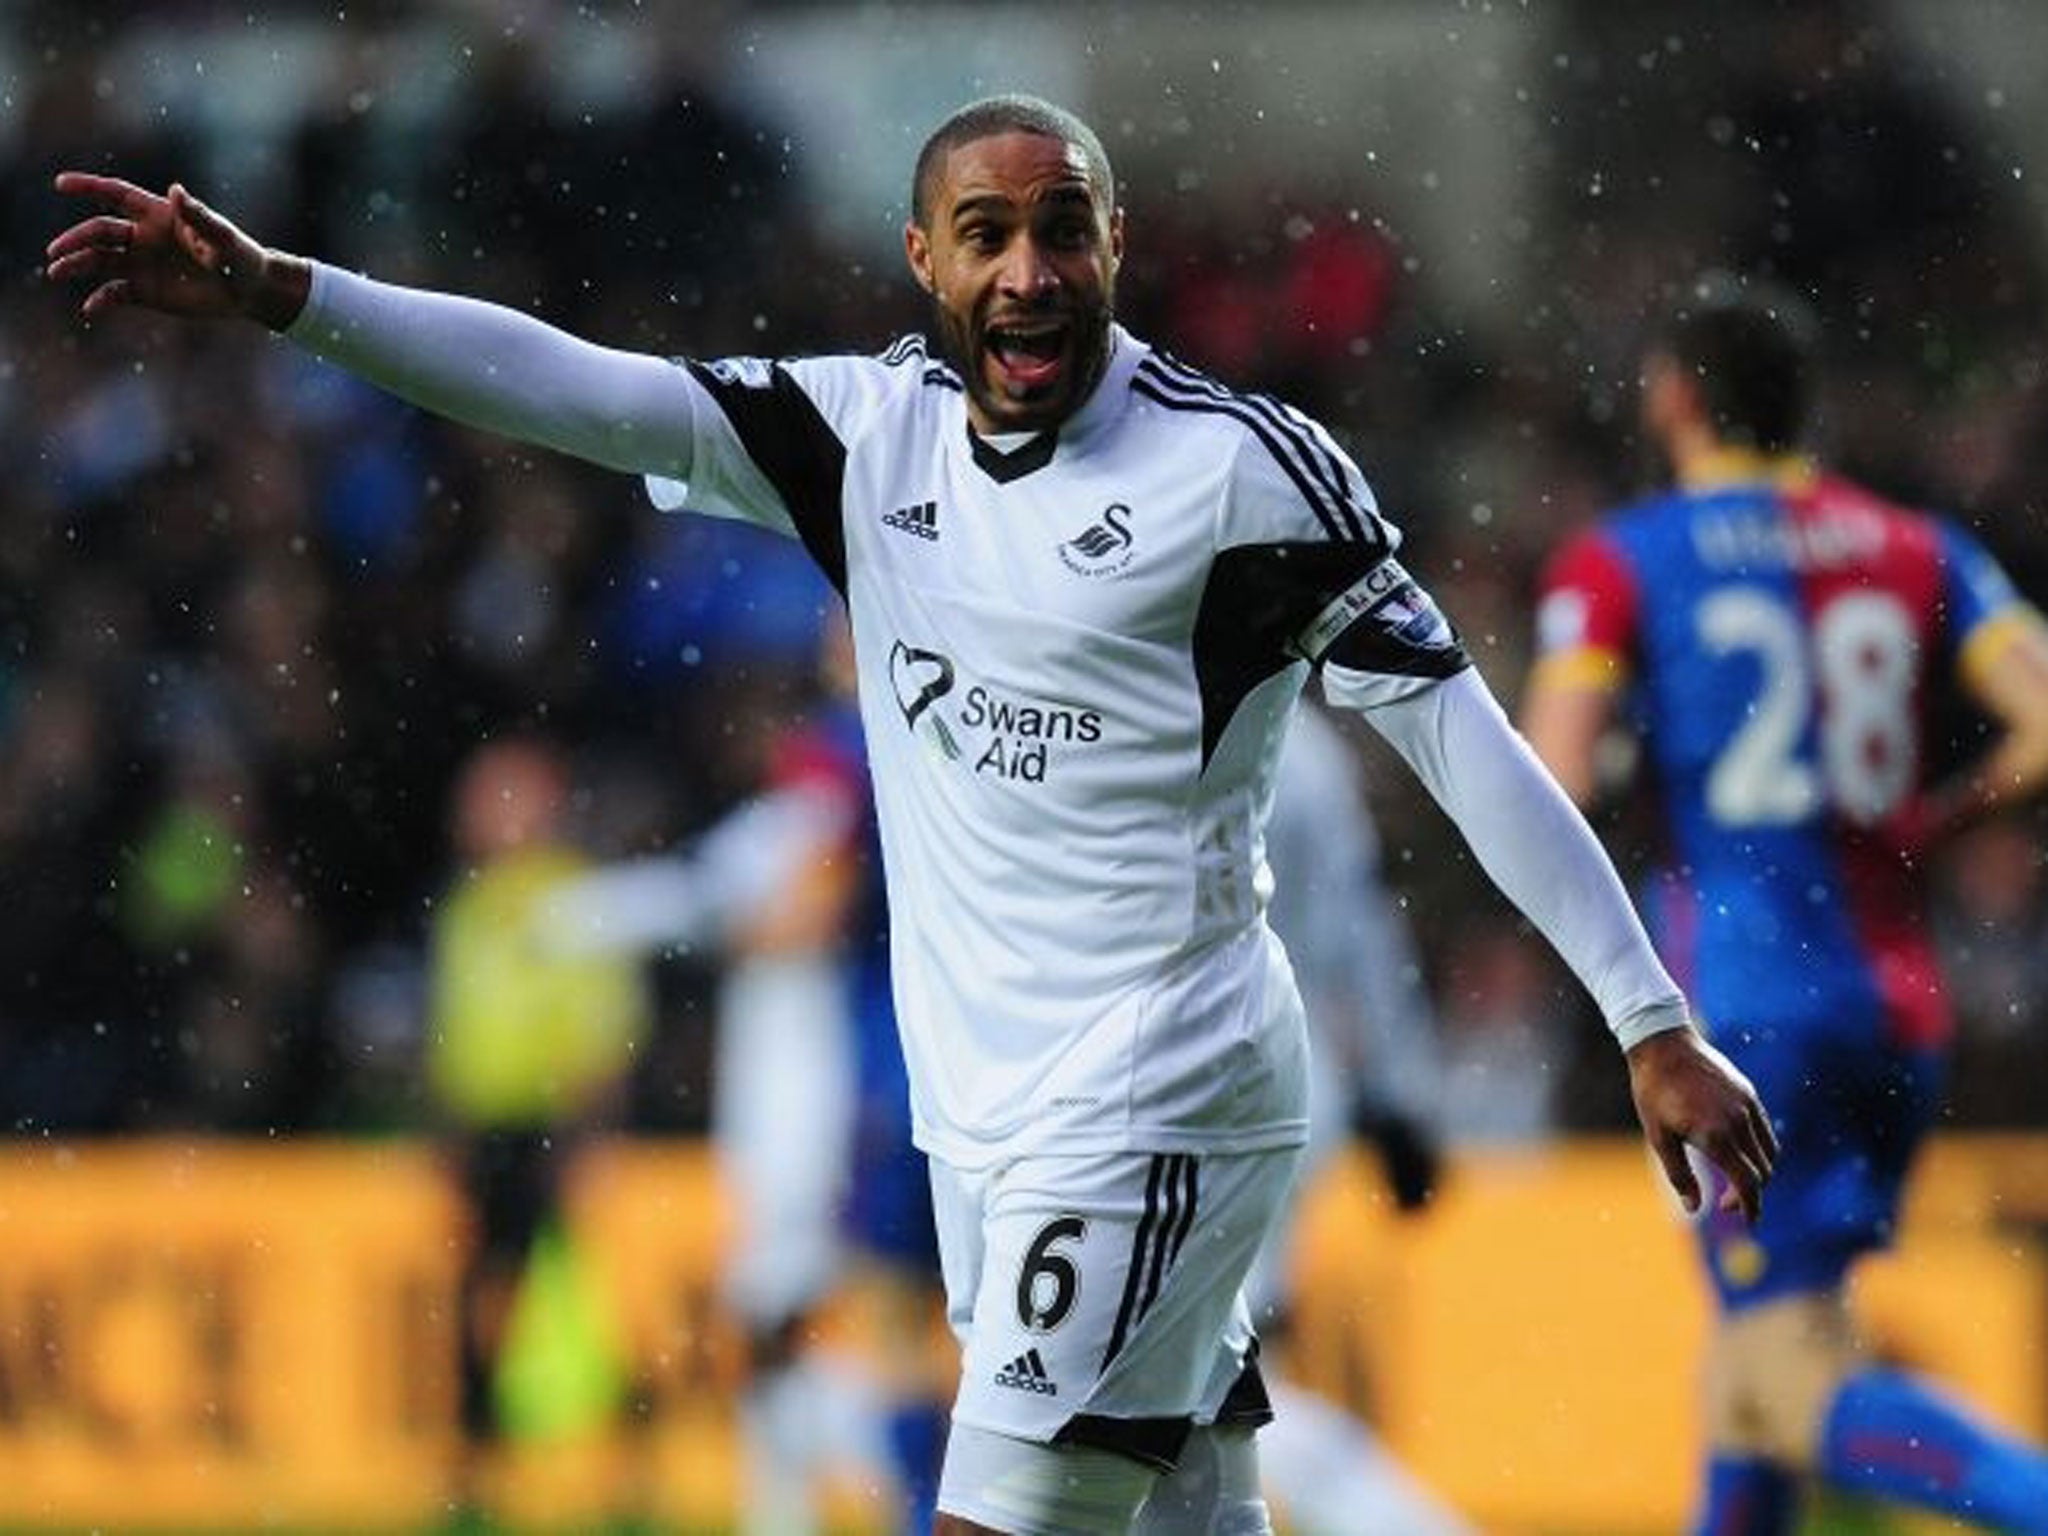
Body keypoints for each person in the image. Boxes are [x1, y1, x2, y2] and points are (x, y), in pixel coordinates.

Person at [47, 95, 1775, 1534]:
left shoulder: (1238, 471)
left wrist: (1644, 1018)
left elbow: (1461, 743)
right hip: (987, 1124)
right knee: (1187, 1510)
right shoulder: (860, 440)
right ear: (921, 258)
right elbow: (575, 385)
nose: (1029, 273)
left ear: (1110, 245)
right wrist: (292, 297)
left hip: (1157, 1085)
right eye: (988, 235)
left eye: (1063, 231)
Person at [1520, 275, 2048, 1536]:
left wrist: (1613, 779)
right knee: (1743, 1372)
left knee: (1777, 1377)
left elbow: (1540, 784)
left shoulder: (1620, 562)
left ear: (1674, 397)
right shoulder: (1919, 547)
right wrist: (1938, 818)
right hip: (1893, 1005)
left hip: (1737, 1018)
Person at [550, 616, 948, 1534]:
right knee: (875, 1320)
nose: (830, 638)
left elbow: (802, 907)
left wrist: (685, 925)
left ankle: (906, 1505)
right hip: (926, 1064)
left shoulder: (843, 755)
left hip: (848, 1081)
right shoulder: (947, 742)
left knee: (823, 1317)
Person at [1249, 699, 1472, 1536]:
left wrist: (1398, 1089)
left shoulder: (1148, 708)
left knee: (1214, 1394)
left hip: (1204, 1108)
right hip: (1288, 1094)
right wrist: (1398, 1096)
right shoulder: (1305, 750)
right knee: (1219, 1389)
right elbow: (1364, 937)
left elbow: (1359, 938)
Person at [426, 736, 647, 1500]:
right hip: (489, 1127)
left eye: (507, 797)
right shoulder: (469, 904)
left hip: (551, 1125)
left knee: (574, 1298)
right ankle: (481, 1459)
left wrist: (590, 1130)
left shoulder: (570, 896)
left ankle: (612, 1461)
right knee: (483, 1293)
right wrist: (448, 1125)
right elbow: (457, 1027)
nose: (492, 815)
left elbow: (600, 1022)